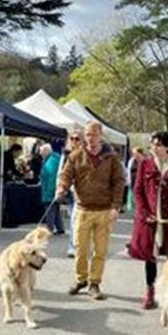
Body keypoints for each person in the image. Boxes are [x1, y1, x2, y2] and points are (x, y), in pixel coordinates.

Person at [54, 121, 125, 301]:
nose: (90, 138)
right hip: (82, 209)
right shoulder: (76, 155)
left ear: (101, 135)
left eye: (94, 134)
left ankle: (94, 283)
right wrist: (61, 187)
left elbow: (119, 182)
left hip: (104, 210)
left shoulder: (112, 157)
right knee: (80, 248)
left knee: (100, 251)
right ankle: (81, 280)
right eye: (87, 134)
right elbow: (65, 175)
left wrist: (116, 206)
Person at [127, 131, 168, 309]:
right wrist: (144, 212)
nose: (154, 147)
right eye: (153, 144)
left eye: (159, 145)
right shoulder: (145, 164)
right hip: (150, 219)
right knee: (150, 256)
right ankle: (150, 292)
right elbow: (138, 190)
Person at [61, 129, 82, 258]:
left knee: (79, 221)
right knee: (74, 221)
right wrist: (60, 187)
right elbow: (62, 172)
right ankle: (73, 246)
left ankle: (78, 245)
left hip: (82, 192)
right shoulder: (66, 154)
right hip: (69, 192)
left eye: (77, 139)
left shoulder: (86, 154)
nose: (74, 141)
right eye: (72, 138)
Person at [39, 143, 64, 235]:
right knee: (56, 209)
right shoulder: (51, 159)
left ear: (46, 151)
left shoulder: (52, 161)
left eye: (41, 152)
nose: (40, 154)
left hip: (49, 189)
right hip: (51, 188)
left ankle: (49, 229)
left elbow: (52, 177)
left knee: (50, 209)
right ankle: (60, 228)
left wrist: (50, 191)